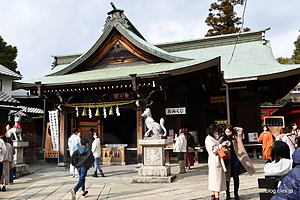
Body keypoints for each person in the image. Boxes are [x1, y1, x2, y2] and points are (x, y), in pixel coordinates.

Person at [219, 124, 255, 200]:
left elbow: (240, 129)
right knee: (227, 178)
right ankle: (227, 194)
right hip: (227, 160)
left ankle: (236, 193)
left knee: (236, 176)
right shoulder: (222, 139)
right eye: (226, 131)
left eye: (229, 131)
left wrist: (232, 128)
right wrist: (223, 144)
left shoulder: (236, 137)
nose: (227, 133)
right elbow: (217, 145)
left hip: (236, 158)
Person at [205, 124, 229, 200]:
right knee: (216, 179)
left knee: (214, 179)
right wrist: (221, 145)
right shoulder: (209, 139)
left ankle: (213, 196)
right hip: (215, 160)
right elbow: (213, 150)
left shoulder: (212, 138)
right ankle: (216, 197)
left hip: (215, 160)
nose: (216, 132)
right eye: (216, 131)